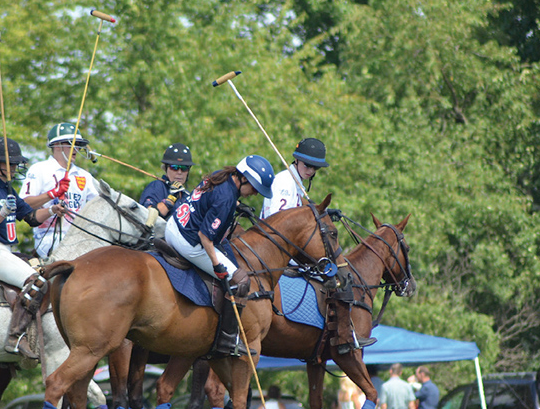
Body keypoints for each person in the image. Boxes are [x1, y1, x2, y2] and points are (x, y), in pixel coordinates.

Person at [259, 137, 374, 354]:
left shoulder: (296, 184)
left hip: (289, 251)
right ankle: (343, 336)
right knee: (337, 278)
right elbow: (280, 221)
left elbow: (299, 211)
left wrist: (323, 213)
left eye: (314, 167)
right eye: (307, 165)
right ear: (296, 160)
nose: (310, 170)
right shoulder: (284, 183)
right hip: (281, 252)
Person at [164, 155, 274, 356]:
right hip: (188, 241)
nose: (255, 194)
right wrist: (217, 266)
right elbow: (205, 237)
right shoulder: (226, 198)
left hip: (173, 224)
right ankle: (228, 338)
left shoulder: (220, 176)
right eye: (255, 189)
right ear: (244, 179)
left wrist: (236, 205)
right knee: (240, 281)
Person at [0, 137, 66, 359]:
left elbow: (32, 217)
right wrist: (3, 213)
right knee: (37, 282)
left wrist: (52, 210)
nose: (15, 167)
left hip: (5, 250)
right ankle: (15, 337)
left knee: (46, 273)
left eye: (16, 163)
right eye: (11, 163)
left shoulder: (7, 188)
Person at [19, 122, 99, 259]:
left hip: (80, 237)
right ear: (57, 145)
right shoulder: (40, 169)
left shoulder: (84, 175)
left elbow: (99, 204)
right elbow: (24, 204)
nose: (76, 148)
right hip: (49, 237)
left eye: (78, 144)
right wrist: (52, 193)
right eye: (71, 143)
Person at [139, 143, 194, 219]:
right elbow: (145, 216)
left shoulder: (188, 196)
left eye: (184, 168)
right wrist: (171, 198)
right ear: (165, 168)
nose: (179, 172)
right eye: (174, 167)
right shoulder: (157, 186)